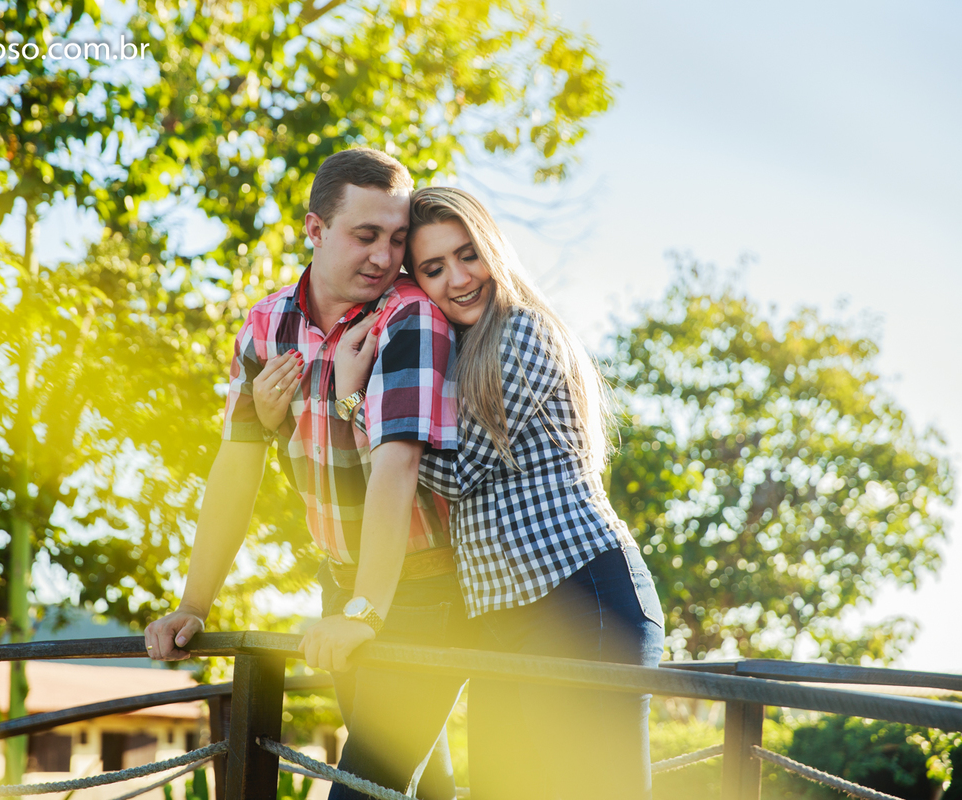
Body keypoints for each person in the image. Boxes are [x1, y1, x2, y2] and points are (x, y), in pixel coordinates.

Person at [256, 186, 666, 798]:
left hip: (583, 600)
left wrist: (354, 398)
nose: (458, 278)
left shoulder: (522, 334)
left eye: (467, 254)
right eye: (434, 268)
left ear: (493, 249)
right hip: (503, 617)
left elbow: (456, 471)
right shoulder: (460, 351)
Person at [144, 149, 473, 800]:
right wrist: (193, 604)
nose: (384, 256)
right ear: (315, 229)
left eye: (397, 238)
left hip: (426, 594)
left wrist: (364, 613)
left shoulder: (410, 318)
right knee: (420, 787)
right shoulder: (268, 325)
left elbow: (396, 468)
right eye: (365, 235)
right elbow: (236, 467)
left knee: (362, 784)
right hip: (343, 589)